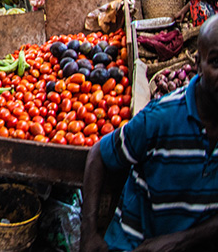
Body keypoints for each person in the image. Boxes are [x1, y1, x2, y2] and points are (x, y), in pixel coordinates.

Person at [80, 16, 218, 251]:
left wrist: (179, 241)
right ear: (197, 65)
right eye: (216, 62)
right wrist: (88, 234)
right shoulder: (161, 117)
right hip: (134, 244)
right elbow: (99, 154)